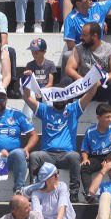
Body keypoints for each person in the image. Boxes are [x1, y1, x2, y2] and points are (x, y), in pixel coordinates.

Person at [24, 72, 95, 201]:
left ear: (67, 97)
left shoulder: (73, 109)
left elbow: (90, 94)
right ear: (53, 97)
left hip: (66, 155)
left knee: (75, 156)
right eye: (57, 96)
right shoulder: (45, 109)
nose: (60, 99)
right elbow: (27, 97)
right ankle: (34, 189)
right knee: (35, 156)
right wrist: (28, 79)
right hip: (47, 155)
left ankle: (74, 192)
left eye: (63, 97)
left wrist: (95, 78)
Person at [63, 21, 111, 116]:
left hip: (100, 88)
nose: (81, 38)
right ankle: (65, 115)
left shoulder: (110, 49)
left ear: (94, 36)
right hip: (82, 87)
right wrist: (83, 81)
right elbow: (69, 68)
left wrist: (101, 81)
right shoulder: (79, 48)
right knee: (66, 80)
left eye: (84, 35)